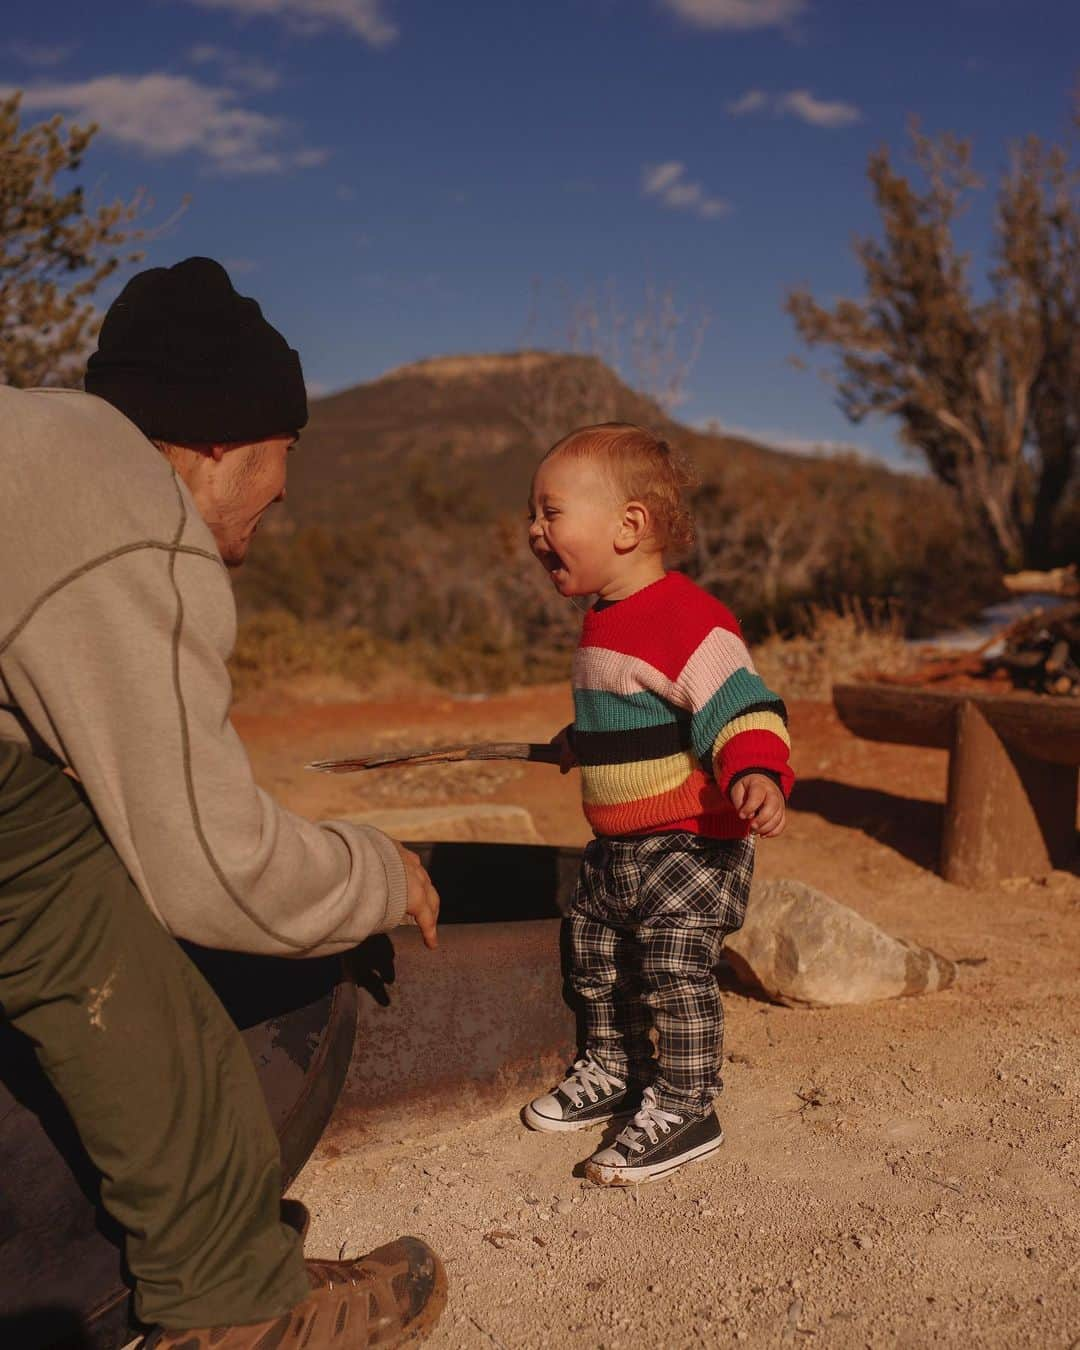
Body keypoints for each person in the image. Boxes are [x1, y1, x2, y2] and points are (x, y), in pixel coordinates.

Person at [0, 258, 447, 1347]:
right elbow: (212, 871)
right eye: (284, 449)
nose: (286, 490)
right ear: (219, 440)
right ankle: (236, 1305)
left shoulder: (40, 451)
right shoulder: (124, 507)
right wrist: (379, 873)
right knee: (65, 895)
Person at [521, 422, 794, 1184]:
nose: (534, 532)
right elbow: (631, 708)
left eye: (550, 512)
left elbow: (740, 705)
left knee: (674, 966)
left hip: (691, 837)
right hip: (621, 842)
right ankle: (615, 1067)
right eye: (533, 517)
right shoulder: (605, 619)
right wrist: (580, 741)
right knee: (597, 953)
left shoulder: (688, 617)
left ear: (628, 525)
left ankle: (686, 1103)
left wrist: (758, 771)